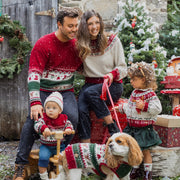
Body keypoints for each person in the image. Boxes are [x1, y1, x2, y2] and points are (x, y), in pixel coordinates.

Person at [13, 7, 82, 180]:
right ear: (59, 24)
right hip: (44, 90)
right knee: (33, 119)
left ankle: (59, 159)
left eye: (76, 25)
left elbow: (86, 66)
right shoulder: (44, 43)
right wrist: (35, 102)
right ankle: (20, 165)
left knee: (72, 117)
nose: (74, 29)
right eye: (70, 26)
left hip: (65, 91)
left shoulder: (78, 45)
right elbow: (34, 74)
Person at [76, 10, 127, 143]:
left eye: (97, 23)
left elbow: (123, 68)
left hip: (112, 85)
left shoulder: (113, 40)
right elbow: (77, 67)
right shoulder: (81, 45)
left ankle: (111, 126)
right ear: (84, 26)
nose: (94, 27)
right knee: (80, 109)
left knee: (89, 93)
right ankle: (85, 147)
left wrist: (112, 74)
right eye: (90, 24)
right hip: (90, 85)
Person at [117, 62, 162, 180]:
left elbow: (157, 109)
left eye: (134, 79)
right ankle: (135, 169)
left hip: (143, 129)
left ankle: (148, 173)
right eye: (131, 79)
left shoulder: (150, 94)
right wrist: (121, 108)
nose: (131, 81)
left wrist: (145, 106)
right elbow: (131, 108)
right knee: (133, 150)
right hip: (132, 128)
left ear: (143, 79)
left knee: (145, 151)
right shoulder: (134, 93)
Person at [34, 92, 74, 180]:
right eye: (48, 107)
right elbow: (37, 124)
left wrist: (68, 129)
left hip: (60, 145)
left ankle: (65, 174)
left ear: (60, 110)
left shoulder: (63, 119)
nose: (50, 110)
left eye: (54, 108)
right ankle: (44, 176)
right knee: (43, 158)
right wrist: (44, 128)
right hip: (46, 146)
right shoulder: (43, 118)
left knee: (66, 158)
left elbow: (69, 124)